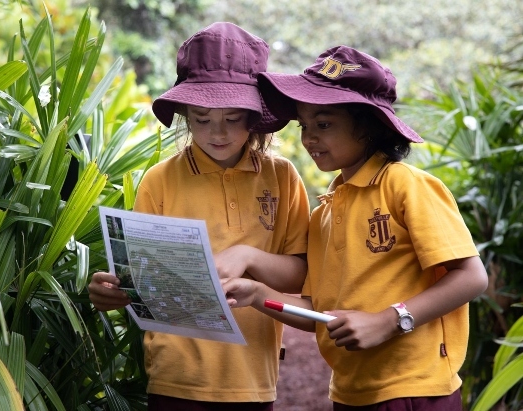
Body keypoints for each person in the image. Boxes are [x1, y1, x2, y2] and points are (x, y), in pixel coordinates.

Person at [222, 45, 489, 410]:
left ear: (368, 128)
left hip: (414, 388)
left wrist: (390, 320)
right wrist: (256, 295)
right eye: (305, 125)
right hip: (350, 392)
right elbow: (318, 308)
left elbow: (472, 277)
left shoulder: (405, 185)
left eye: (324, 124)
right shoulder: (325, 211)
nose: (309, 138)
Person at [88, 22, 311, 410]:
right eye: (202, 118)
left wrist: (250, 257)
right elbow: (143, 279)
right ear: (186, 115)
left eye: (233, 118)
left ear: (255, 115)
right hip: (176, 377)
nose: (217, 133)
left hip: (252, 376)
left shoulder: (282, 178)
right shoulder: (159, 181)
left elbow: (300, 273)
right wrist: (117, 290)